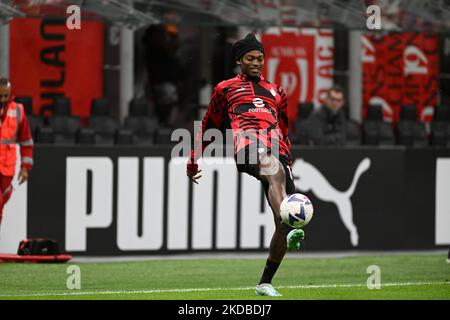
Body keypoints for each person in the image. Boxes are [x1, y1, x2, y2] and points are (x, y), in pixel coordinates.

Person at [186, 33, 304, 297]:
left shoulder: (277, 91)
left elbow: (284, 130)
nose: (257, 62)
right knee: (272, 169)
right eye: (251, 58)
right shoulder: (225, 89)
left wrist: (290, 162)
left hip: (277, 150)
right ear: (240, 60)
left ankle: (265, 282)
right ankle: (291, 220)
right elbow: (208, 127)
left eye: (260, 58)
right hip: (248, 148)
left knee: (281, 224)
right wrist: (193, 160)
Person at [0, 77, 34, 228]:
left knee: (2, 203)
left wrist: (25, 167)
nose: (2, 99)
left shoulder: (18, 111)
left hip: (7, 168)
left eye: (5, 96)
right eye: (0, 96)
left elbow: (26, 141)